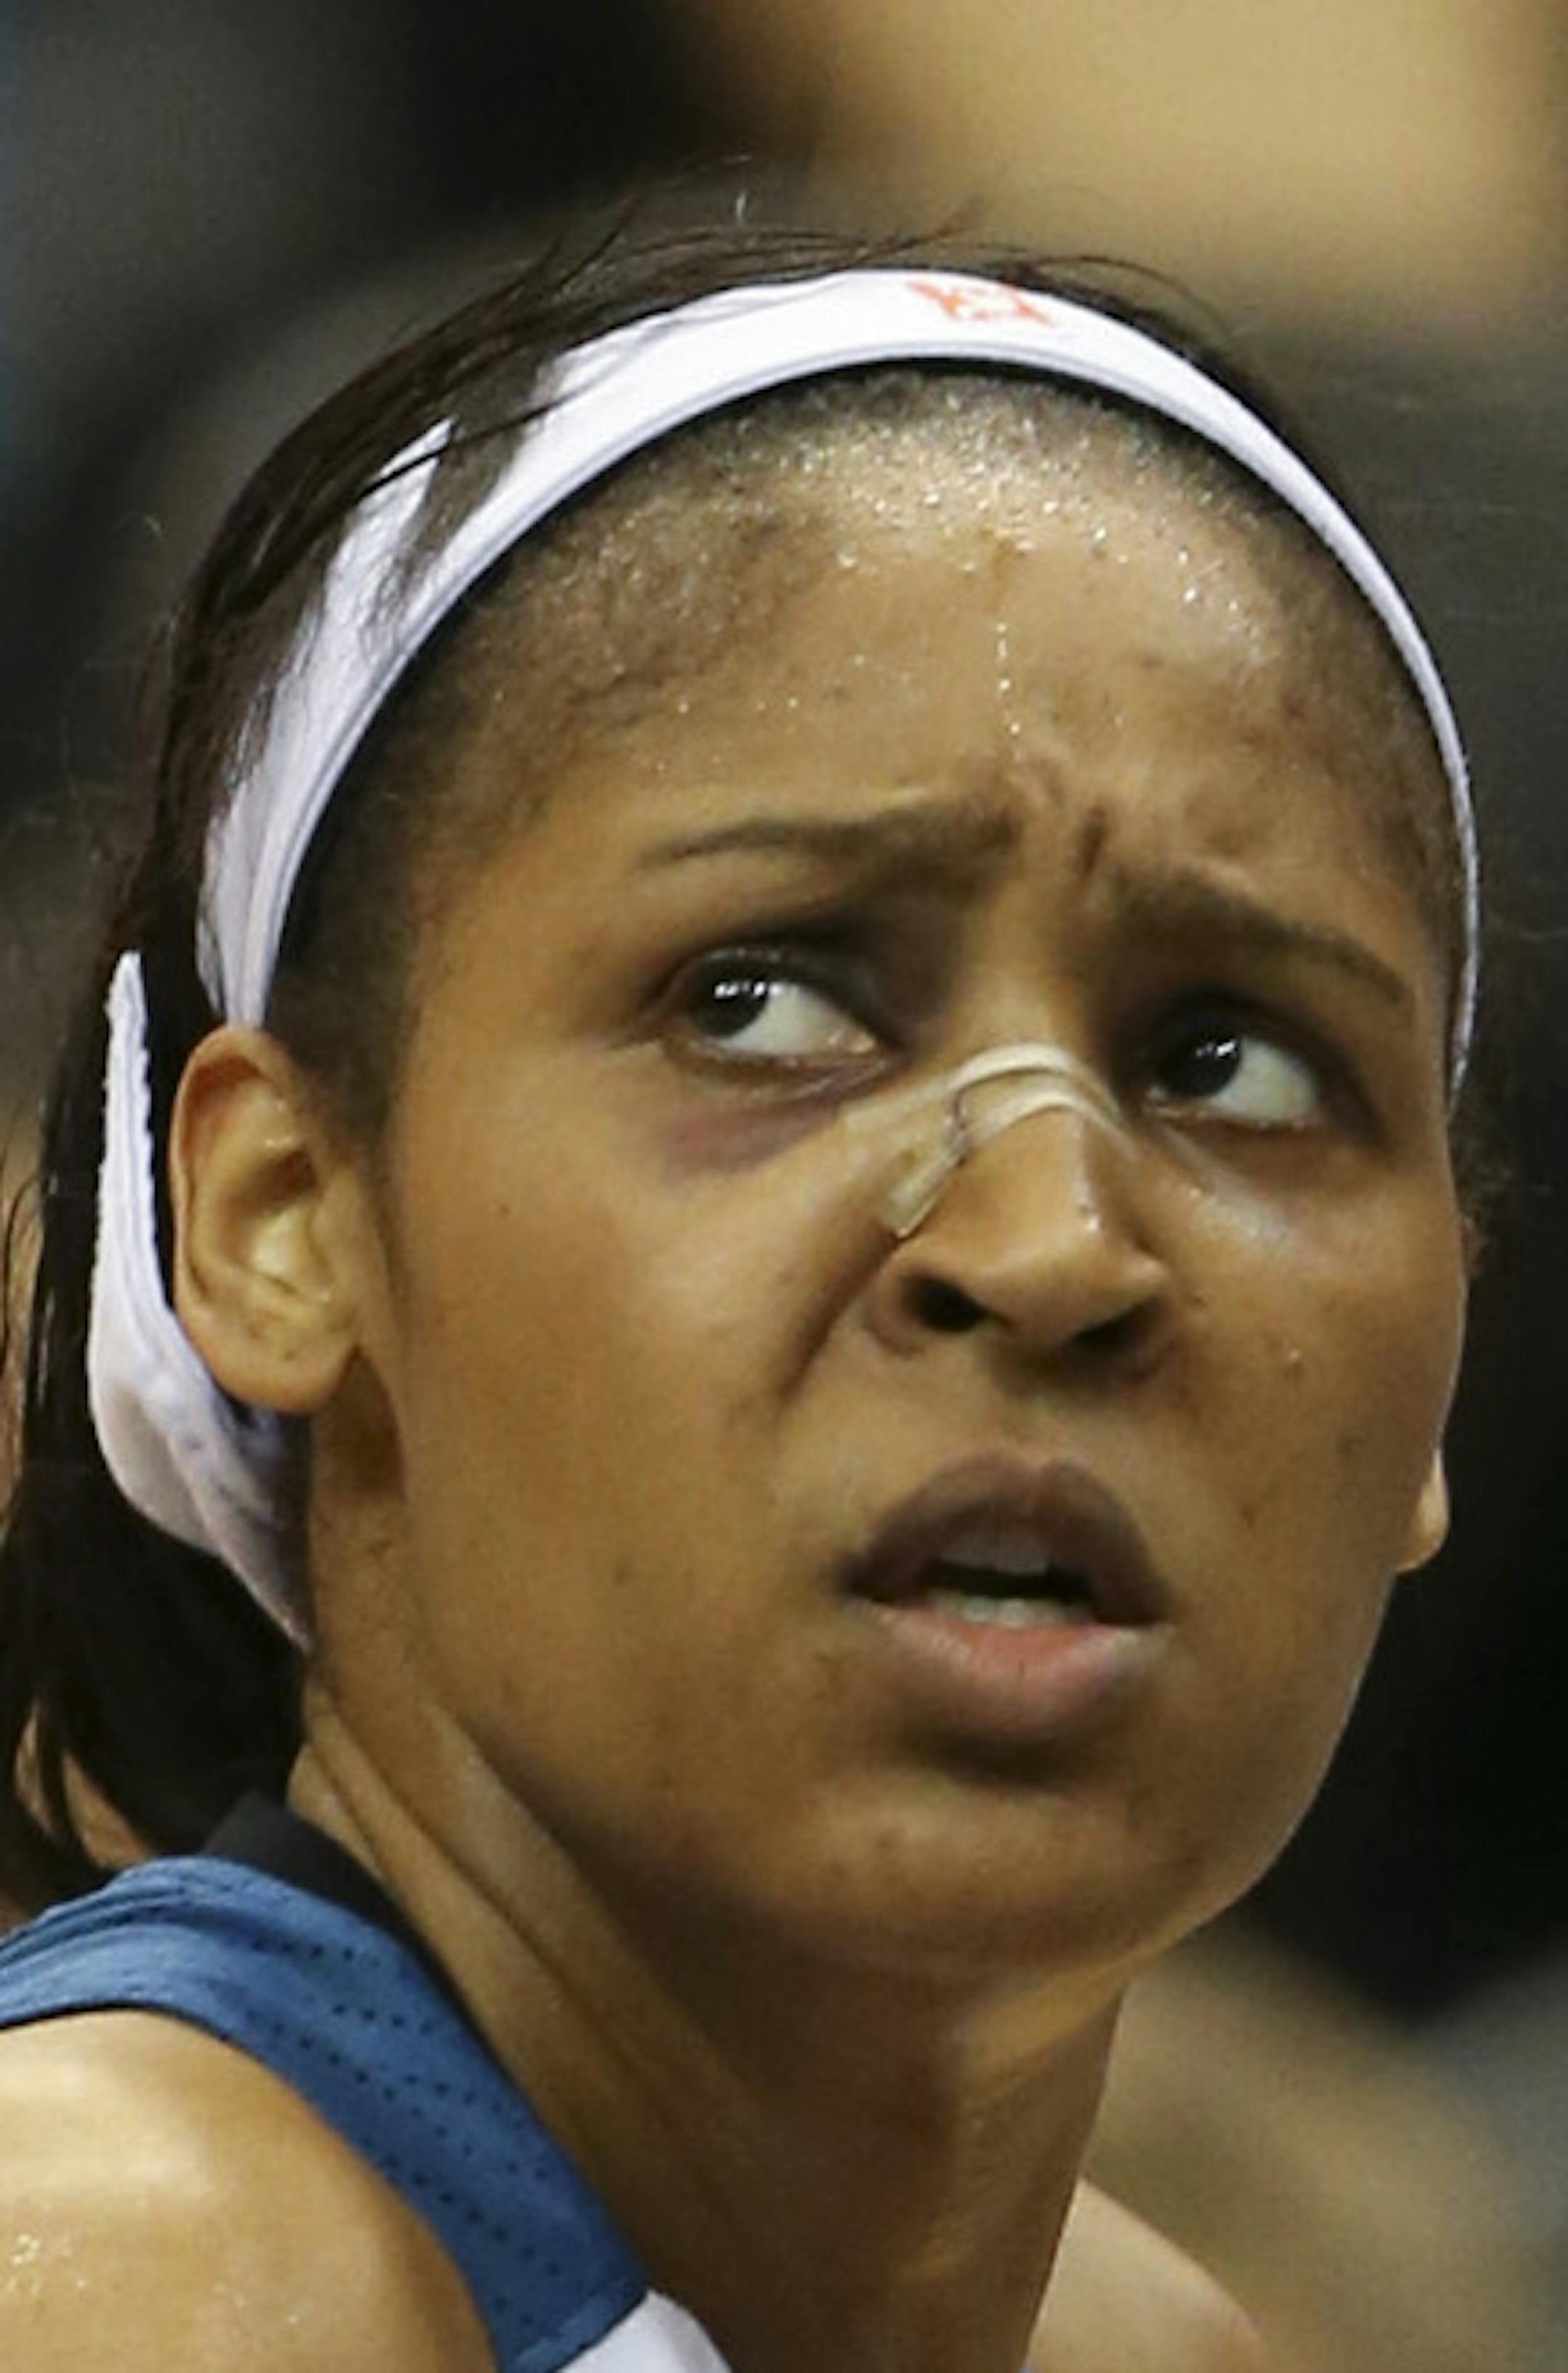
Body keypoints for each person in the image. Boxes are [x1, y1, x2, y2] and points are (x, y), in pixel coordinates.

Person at [0, 213, 1475, 2371]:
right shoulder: (148, 2272)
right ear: (280, 1216)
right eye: (762, 1003)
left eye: (1228, 1062)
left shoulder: (1162, 2345)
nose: (1054, 1240)